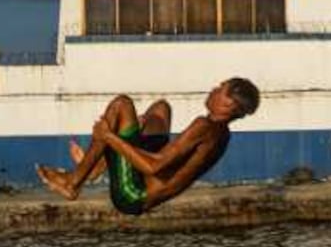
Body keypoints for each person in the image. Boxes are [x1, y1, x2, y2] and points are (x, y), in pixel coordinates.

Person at [37, 78, 260, 215]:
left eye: (220, 88)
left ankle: (73, 182)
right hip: (149, 177)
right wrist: (136, 133)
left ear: (228, 104)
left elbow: (154, 167)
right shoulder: (221, 133)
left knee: (121, 105)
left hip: (134, 194)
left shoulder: (204, 126)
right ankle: (95, 168)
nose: (213, 89)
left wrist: (109, 137)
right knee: (160, 110)